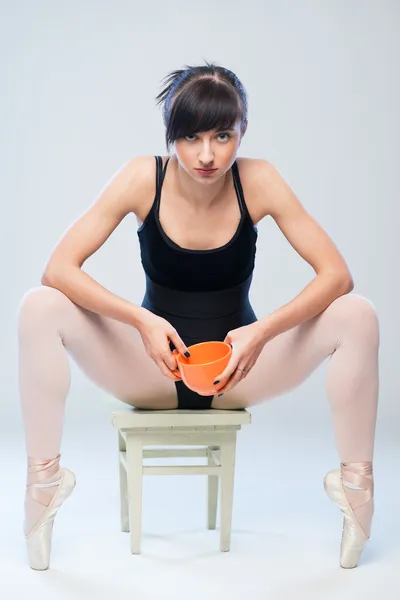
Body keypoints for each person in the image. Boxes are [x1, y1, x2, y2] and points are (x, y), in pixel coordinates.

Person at [18, 61, 379, 571]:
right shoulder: (142, 178)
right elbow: (59, 268)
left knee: (357, 315)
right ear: (171, 137)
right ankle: (44, 485)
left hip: (239, 371)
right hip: (154, 371)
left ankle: (357, 493)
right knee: (39, 305)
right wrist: (139, 321)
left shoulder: (259, 180)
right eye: (190, 137)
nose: (207, 155)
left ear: (241, 132)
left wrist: (261, 332)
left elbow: (336, 276)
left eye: (222, 135)